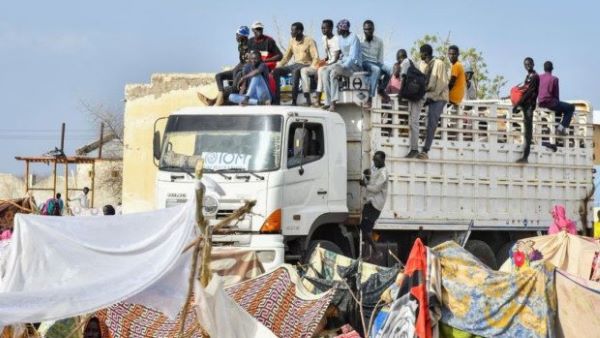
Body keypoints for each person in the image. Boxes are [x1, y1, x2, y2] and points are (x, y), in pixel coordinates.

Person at [272, 22, 319, 105]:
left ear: (299, 31)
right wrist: (278, 66)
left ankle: (294, 100)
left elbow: (315, 57)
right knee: (276, 71)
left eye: (293, 30)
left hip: (306, 64)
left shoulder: (309, 41)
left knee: (295, 71)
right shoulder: (292, 41)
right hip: (295, 64)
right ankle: (277, 100)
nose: (291, 32)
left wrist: (313, 68)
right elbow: (286, 56)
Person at [416, 44, 449, 160]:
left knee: (432, 121)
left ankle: (425, 150)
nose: (420, 55)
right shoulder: (424, 65)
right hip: (428, 95)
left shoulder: (439, 63)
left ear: (425, 53)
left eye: (421, 52)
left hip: (439, 97)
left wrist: (431, 97)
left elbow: (441, 84)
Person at [322, 19, 362, 112]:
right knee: (325, 71)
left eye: (338, 28)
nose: (337, 30)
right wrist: (338, 63)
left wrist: (342, 67)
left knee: (334, 73)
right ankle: (327, 102)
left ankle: (333, 102)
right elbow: (343, 55)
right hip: (343, 62)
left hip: (354, 65)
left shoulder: (354, 38)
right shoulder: (340, 39)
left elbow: (352, 57)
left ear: (343, 29)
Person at [299, 19, 340, 107]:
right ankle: (308, 97)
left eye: (325, 28)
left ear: (331, 28)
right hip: (328, 61)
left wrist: (323, 65)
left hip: (336, 63)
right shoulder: (323, 38)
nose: (323, 30)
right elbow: (328, 56)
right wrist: (321, 63)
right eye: (322, 28)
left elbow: (336, 59)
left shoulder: (336, 39)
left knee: (321, 70)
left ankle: (318, 98)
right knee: (305, 70)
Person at [206, 26, 250, 106]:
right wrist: (235, 69)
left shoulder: (250, 46)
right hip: (237, 69)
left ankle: (218, 101)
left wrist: (239, 72)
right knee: (218, 76)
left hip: (242, 73)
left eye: (237, 35)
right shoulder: (240, 46)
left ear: (243, 36)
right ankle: (216, 99)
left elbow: (249, 63)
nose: (236, 37)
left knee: (229, 89)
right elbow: (242, 61)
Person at [359, 151, 388, 260]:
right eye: (374, 159)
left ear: (383, 160)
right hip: (369, 202)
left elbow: (376, 189)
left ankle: (377, 251)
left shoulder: (383, 173)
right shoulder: (376, 169)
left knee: (364, 228)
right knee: (367, 229)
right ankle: (367, 254)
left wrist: (365, 184)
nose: (374, 161)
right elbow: (371, 182)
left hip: (375, 204)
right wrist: (366, 178)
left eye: (377, 160)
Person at [538, 61, 575, 135]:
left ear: (544, 68)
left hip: (540, 102)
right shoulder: (554, 79)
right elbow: (556, 94)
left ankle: (555, 127)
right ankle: (560, 129)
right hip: (550, 103)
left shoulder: (539, 77)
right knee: (571, 108)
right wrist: (557, 103)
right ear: (552, 68)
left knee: (559, 110)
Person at [513, 57, 540, 164]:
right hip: (525, 104)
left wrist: (518, 103)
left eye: (529, 64)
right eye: (526, 64)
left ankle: (525, 157)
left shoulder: (535, 76)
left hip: (529, 105)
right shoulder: (528, 76)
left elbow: (529, 92)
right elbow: (524, 88)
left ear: (533, 64)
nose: (527, 66)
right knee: (524, 129)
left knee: (528, 131)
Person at [361, 20, 391, 107]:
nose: (367, 31)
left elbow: (380, 59)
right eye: (365, 29)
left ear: (373, 29)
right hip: (365, 63)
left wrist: (382, 72)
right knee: (376, 69)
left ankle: (381, 89)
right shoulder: (359, 40)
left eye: (370, 29)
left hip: (376, 62)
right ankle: (370, 98)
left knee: (390, 69)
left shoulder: (379, 41)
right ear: (363, 30)